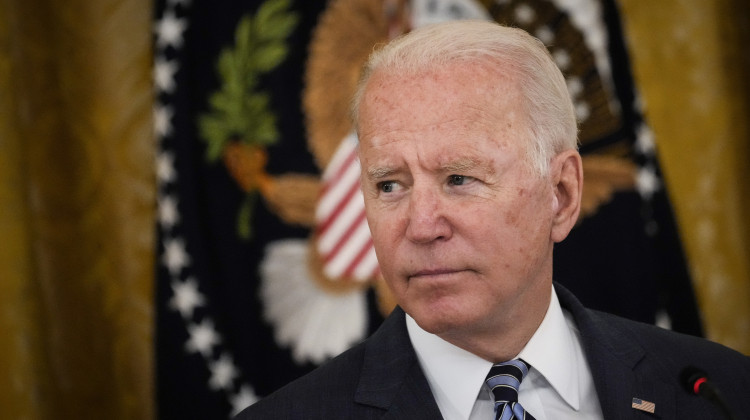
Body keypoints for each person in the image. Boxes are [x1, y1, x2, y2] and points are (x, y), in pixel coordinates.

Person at [236, 20, 750, 420]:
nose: (421, 226)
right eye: (389, 185)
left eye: (459, 179)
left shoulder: (721, 393)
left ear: (563, 194)